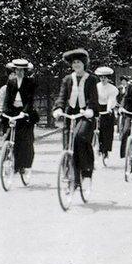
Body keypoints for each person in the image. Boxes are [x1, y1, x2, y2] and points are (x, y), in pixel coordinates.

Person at [52, 49, 98, 189]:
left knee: (79, 138)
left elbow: (93, 98)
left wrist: (90, 110)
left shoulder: (91, 79)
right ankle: (70, 176)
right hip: (70, 113)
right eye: (74, 62)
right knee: (67, 144)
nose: (76, 64)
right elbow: (62, 96)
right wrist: (58, 108)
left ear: (84, 63)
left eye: (79, 62)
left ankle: (86, 171)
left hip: (85, 115)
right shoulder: (67, 79)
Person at [1, 59, 37, 176]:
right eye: (17, 69)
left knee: (25, 141)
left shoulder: (30, 82)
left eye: (22, 70)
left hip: (25, 112)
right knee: (8, 137)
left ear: (25, 71)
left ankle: (25, 166)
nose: (19, 72)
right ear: (14, 70)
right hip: (12, 111)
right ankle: (9, 162)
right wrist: (4, 111)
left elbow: (30, 100)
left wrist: (24, 112)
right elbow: (7, 99)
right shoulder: (11, 82)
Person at [95, 66, 119, 159]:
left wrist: (109, 108)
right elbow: (93, 98)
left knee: (107, 131)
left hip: (107, 109)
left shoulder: (112, 89)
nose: (103, 79)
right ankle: (96, 146)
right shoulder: (96, 87)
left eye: (105, 77)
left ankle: (105, 150)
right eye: (101, 77)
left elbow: (111, 99)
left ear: (108, 78)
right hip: (98, 107)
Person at [0, 63, 17, 135]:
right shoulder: (4, 89)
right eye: (13, 74)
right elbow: (0, 102)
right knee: (6, 134)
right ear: (9, 76)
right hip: (7, 115)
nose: (15, 76)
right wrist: (0, 112)